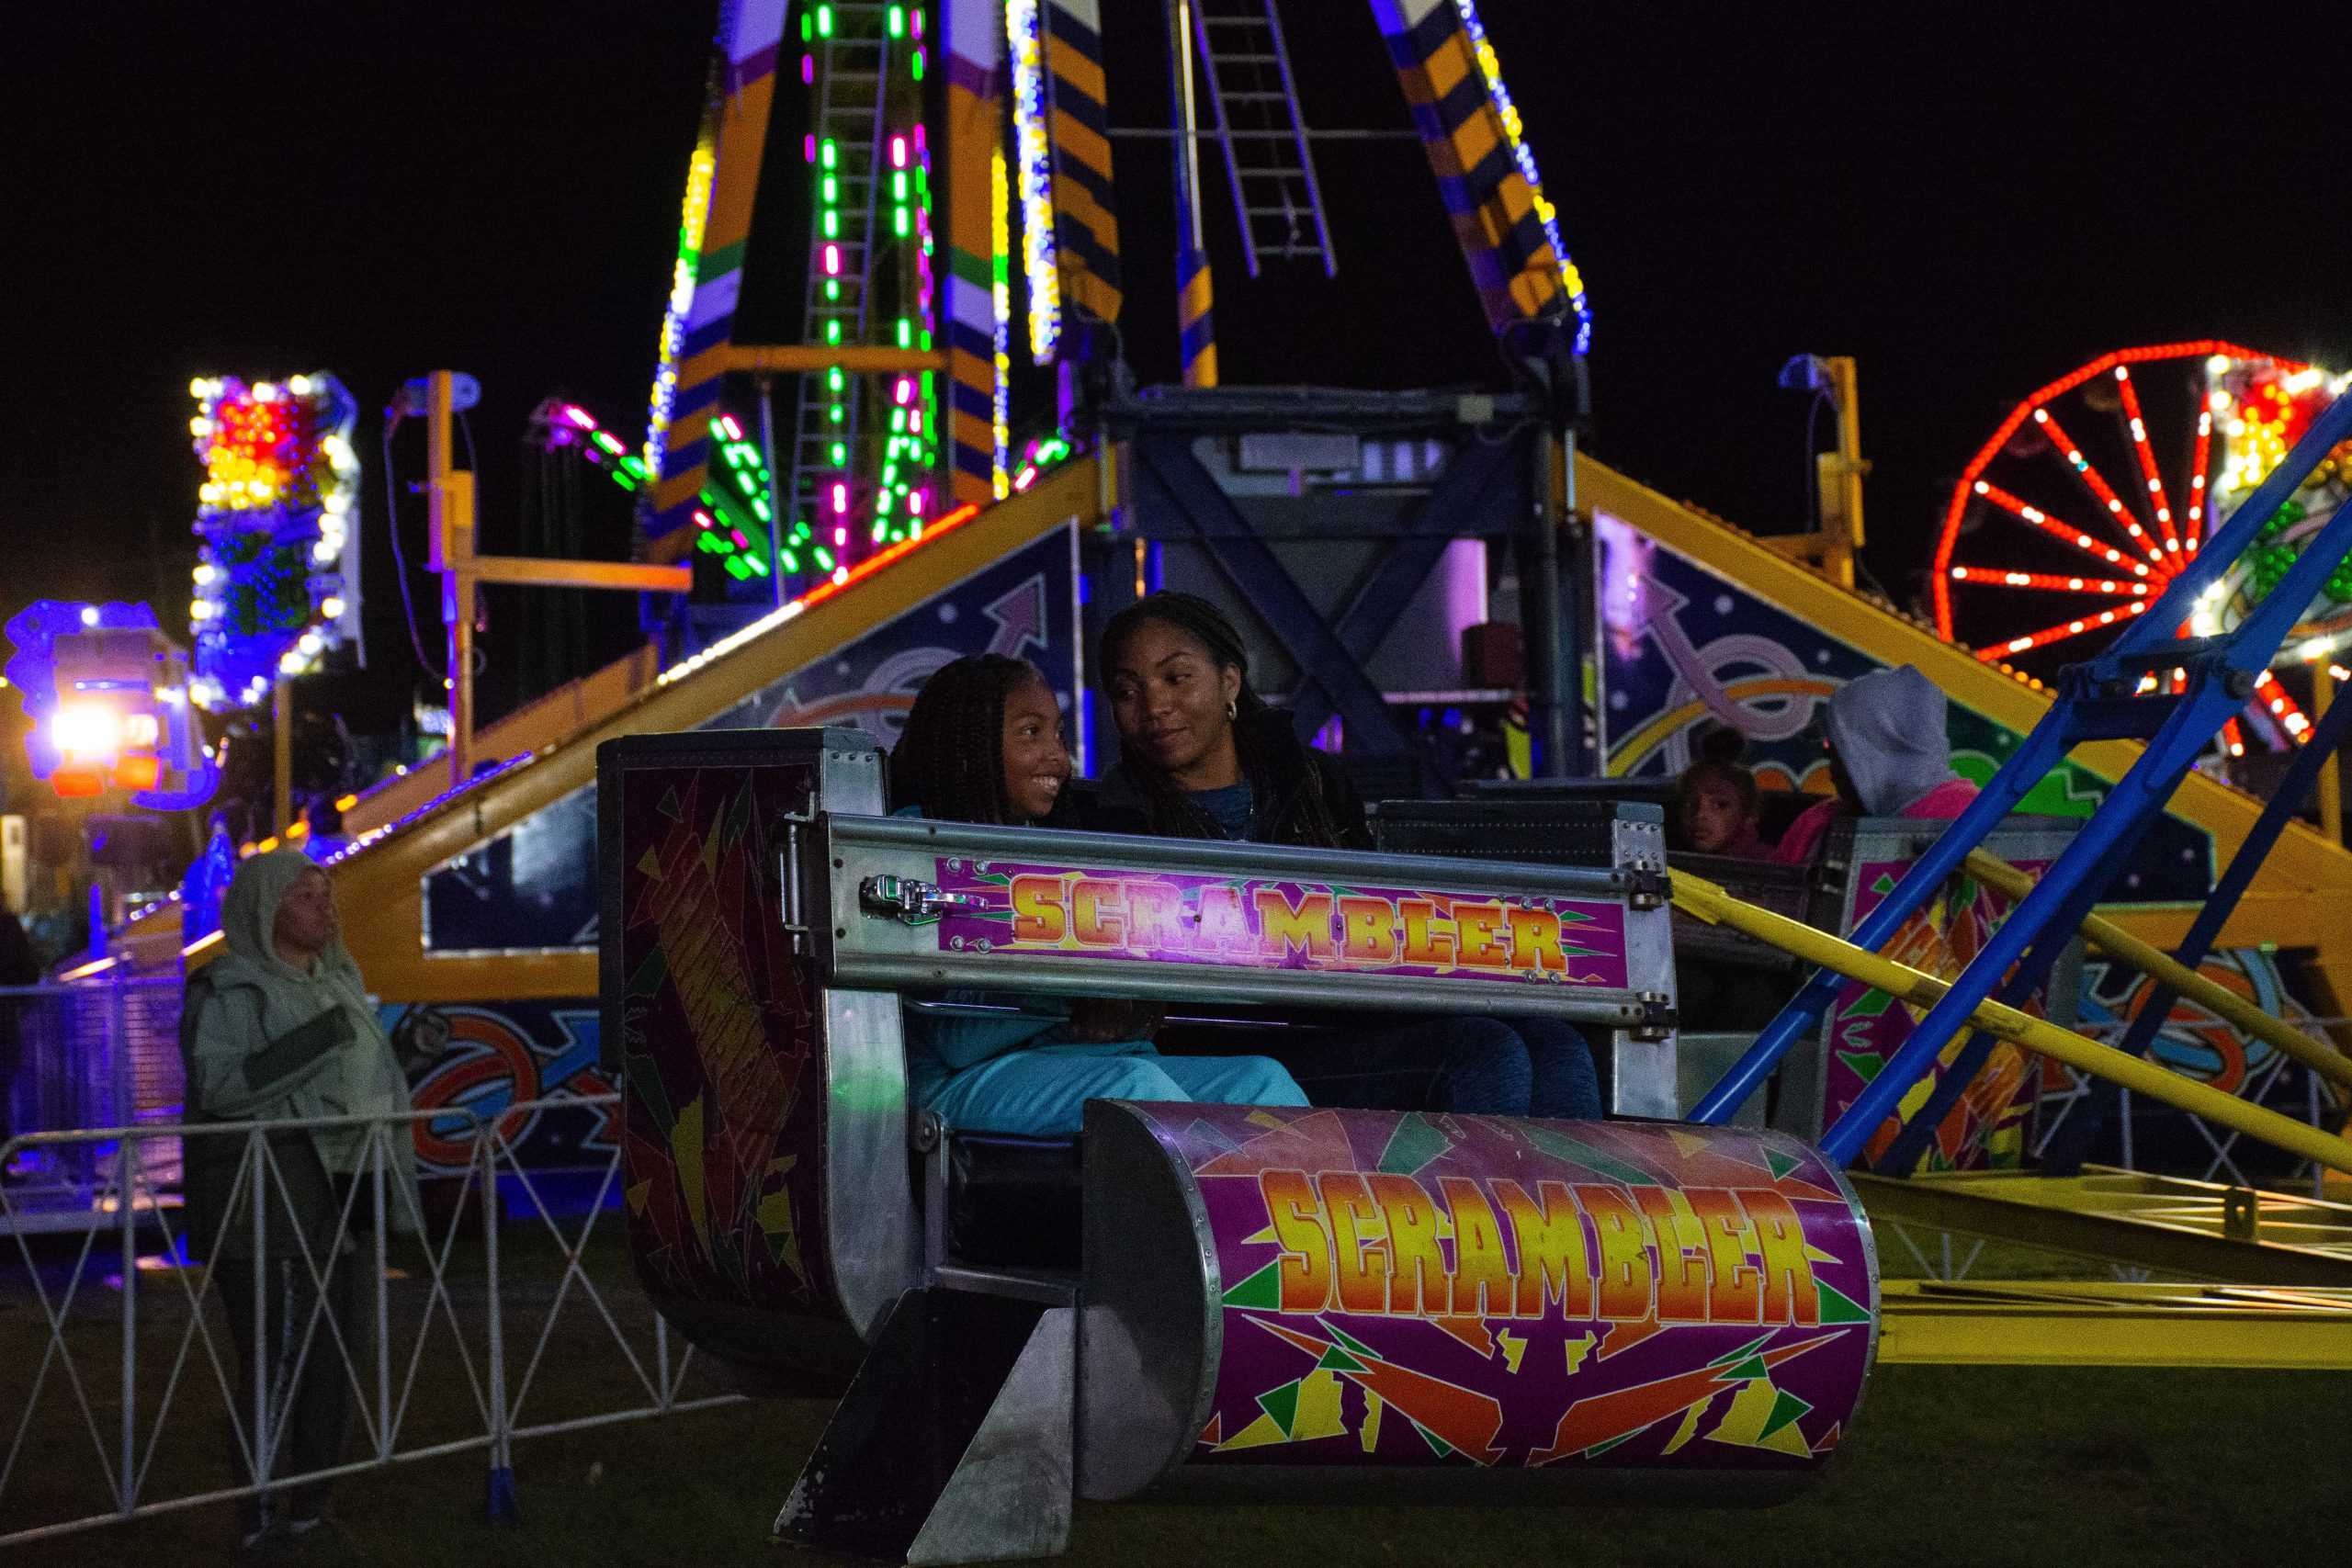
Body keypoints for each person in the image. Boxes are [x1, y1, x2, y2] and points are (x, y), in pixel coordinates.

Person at [1092, 592, 1604, 1119]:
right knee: (1482, 1055)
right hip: (1229, 1047)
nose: (1154, 707)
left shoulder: (1311, 780)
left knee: (1555, 1042)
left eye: (1176, 679)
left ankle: (1583, 1201)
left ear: (1230, 682)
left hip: (1351, 1017)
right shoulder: (1113, 815)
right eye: (1127, 691)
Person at [889, 653, 1308, 1135]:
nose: (1057, 758)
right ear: (966, 746)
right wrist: (1077, 1000)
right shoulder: (915, 841)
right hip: (950, 1081)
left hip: (1057, 1057)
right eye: (1031, 733)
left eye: (1058, 735)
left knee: (1259, 1081)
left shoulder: (1042, 841)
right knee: (1134, 1089)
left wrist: (1130, 1002)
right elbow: (953, 1036)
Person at [178, 851, 429, 1551]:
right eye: (306, 896)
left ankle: (311, 1507)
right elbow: (222, 1086)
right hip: (270, 1203)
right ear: (265, 909)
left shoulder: (340, 980)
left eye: (327, 894)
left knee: (337, 1357)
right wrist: (322, 1039)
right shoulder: (231, 990)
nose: (326, 908)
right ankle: (256, 1513)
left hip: (348, 1192)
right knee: (278, 1356)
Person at [1770, 664, 1981, 865]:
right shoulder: (1816, 822)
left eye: (1834, 750)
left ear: (1872, 750)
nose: (1830, 768)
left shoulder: (1972, 824)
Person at [1672, 736, 1767, 858]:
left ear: (1750, 815)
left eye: (1719, 805)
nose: (1700, 815)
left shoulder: (1768, 865)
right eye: (1691, 804)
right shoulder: (1670, 859)